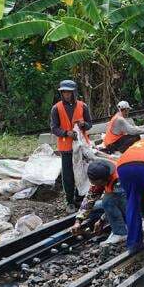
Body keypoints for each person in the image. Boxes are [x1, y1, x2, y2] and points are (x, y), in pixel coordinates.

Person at [50, 80, 93, 213]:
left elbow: (89, 124)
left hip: (81, 147)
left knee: (82, 173)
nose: (66, 94)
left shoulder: (82, 106)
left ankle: (79, 197)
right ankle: (70, 202)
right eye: (64, 92)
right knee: (68, 175)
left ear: (74, 92)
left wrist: (83, 125)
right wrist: (66, 133)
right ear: (61, 93)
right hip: (66, 148)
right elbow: (54, 128)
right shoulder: (56, 108)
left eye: (69, 92)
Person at [71, 159, 128, 246]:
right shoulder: (99, 175)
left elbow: (117, 203)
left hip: (137, 202)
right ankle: (115, 224)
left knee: (107, 200)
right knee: (93, 208)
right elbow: (90, 198)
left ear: (105, 179)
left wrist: (102, 220)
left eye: (98, 183)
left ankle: (121, 233)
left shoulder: (119, 180)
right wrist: (78, 221)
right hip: (119, 200)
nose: (95, 185)